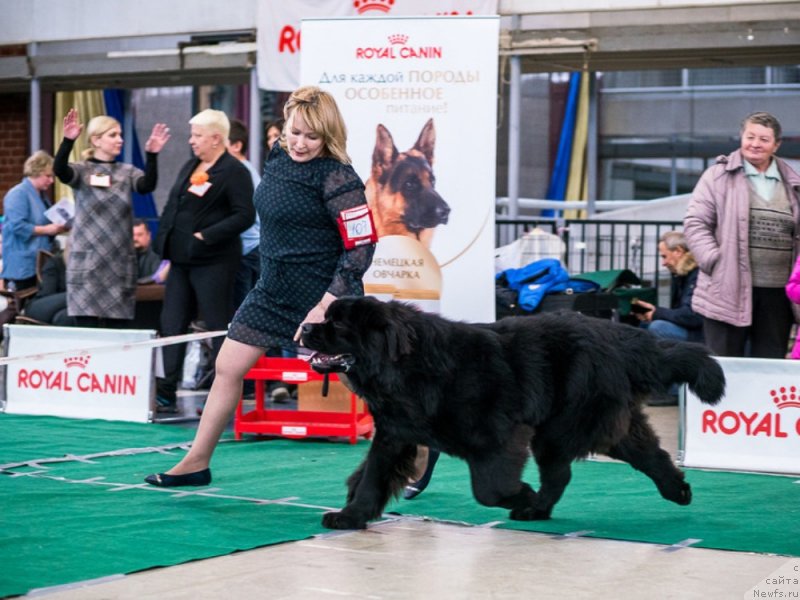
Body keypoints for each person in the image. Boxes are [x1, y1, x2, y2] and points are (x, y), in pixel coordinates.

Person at [145, 85, 376, 487]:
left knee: (365, 384)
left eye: (311, 136)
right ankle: (196, 462)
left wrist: (327, 303)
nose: (300, 143)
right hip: (272, 291)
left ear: (329, 135)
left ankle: (420, 447)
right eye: (294, 132)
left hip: (325, 298)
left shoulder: (339, 177)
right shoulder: (277, 156)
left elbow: (362, 246)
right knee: (227, 367)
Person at [153, 109, 255, 414]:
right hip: (181, 260)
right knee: (172, 324)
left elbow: (244, 215)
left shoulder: (235, 171)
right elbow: (175, 205)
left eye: (197, 135)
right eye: (192, 135)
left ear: (216, 138)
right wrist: (166, 243)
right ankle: (165, 391)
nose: (192, 141)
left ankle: (222, 393)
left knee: (217, 326)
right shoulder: (191, 165)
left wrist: (206, 236)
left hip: (214, 261)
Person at [684, 111, 800, 358]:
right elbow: (696, 223)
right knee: (725, 365)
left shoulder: (793, 182)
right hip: (727, 287)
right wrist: (714, 260)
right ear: (741, 137)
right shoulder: (717, 176)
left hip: (777, 295)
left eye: (764, 139)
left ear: (776, 145)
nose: (755, 144)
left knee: (769, 367)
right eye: (750, 137)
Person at [53, 108, 170, 328]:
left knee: (118, 328)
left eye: (120, 135)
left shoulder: (127, 172)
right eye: (113, 135)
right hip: (87, 263)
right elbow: (60, 170)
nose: (120, 140)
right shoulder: (82, 170)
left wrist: (152, 155)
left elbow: (147, 186)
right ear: (96, 140)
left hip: (118, 263)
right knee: (86, 327)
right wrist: (68, 141)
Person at [1, 151, 67, 292]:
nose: (51, 181)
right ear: (36, 172)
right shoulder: (18, 194)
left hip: (39, 261)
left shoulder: (42, 196)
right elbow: (17, 226)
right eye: (48, 176)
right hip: (22, 265)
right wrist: (47, 229)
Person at [631, 231, 703, 343]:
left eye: (664, 256)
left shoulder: (697, 275)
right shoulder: (681, 274)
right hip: (693, 330)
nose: (663, 263)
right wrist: (654, 311)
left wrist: (656, 313)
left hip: (700, 335)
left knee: (657, 327)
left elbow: (691, 316)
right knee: (645, 325)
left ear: (678, 251)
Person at [226, 118, 261, 309]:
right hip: (253, 250)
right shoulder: (249, 171)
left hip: (245, 252)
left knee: (240, 314)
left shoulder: (240, 173)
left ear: (237, 146)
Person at [24, 246, 76, 326]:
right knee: (79, 295)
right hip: (42, 306)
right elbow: (47, 292)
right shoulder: (55, 262)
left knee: (64, 317)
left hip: (69, 310)